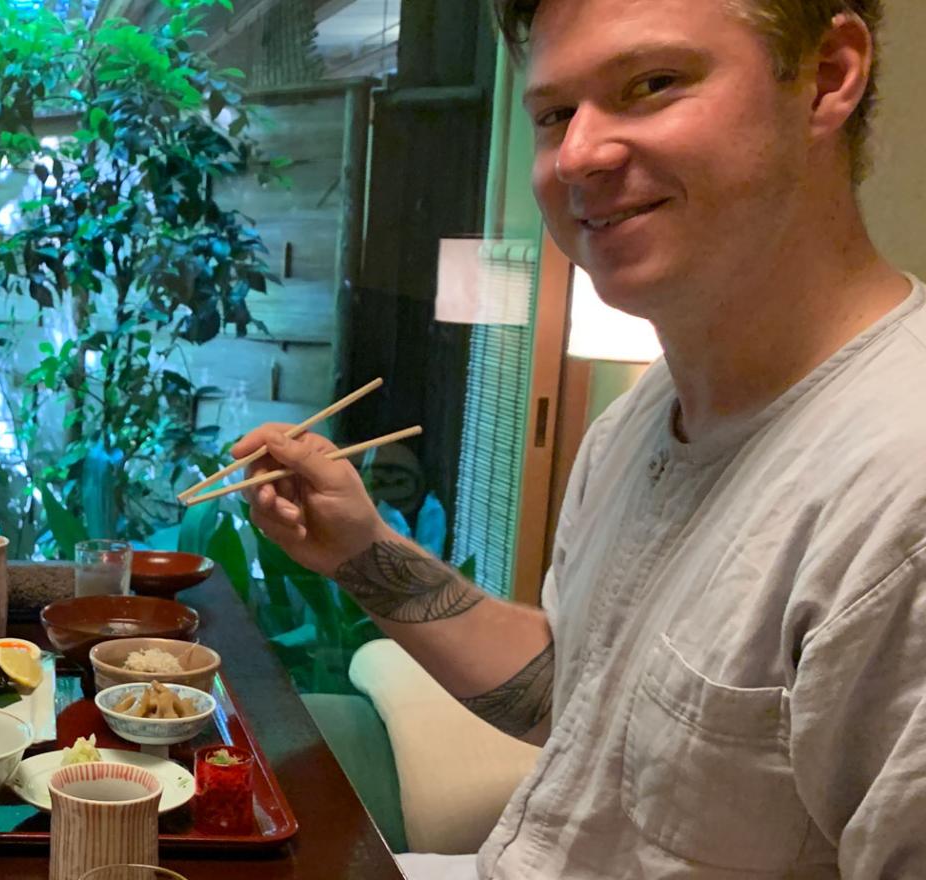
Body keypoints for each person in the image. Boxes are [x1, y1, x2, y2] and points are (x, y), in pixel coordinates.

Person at [232, 0, 924, 876]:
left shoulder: (900, 492)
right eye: (555, 113)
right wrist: (361, 551)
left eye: (652, 83)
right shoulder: (644, 416)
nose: (579, 155)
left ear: (827, 77)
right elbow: (576, 695)